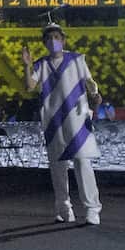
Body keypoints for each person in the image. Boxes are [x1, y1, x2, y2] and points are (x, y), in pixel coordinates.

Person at [22, 20, 103, 225]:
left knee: (83, 163)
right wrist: (27, 65)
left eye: (56, 37)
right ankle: (64, 208)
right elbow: (30, 86)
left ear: (63, 39)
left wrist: (95, 95)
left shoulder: (77, 60)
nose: (52, 41)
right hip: (53, 121)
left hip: (77, 118)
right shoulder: (41, 64)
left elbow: (90, 84)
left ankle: (92, 209)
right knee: (57, 167)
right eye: (48, 38)